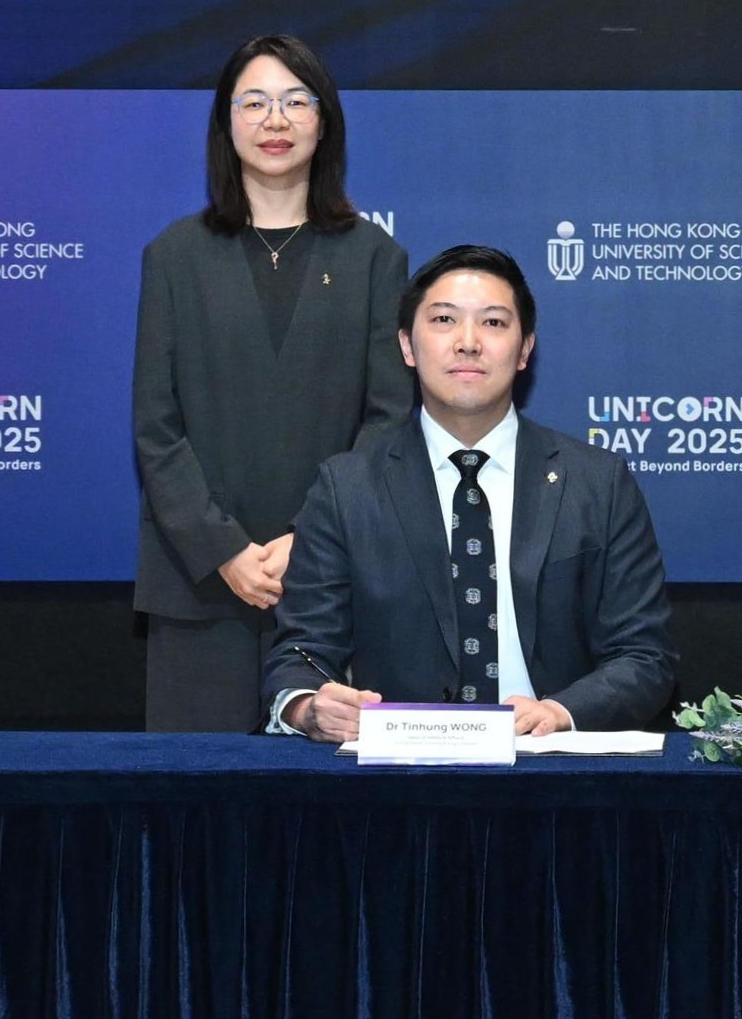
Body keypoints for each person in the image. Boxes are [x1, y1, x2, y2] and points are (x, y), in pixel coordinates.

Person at [266, 245, 676, 738]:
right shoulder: (346, 487)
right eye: (443, 320)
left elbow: (645, 655)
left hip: (554, 774)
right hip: (400, 781)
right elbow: (300, 654)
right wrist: (308, 707)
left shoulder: (597, 482)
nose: (467, 343)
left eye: (494, 323)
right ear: (407, 347)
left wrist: (561, 712)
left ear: (525, 349)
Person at [129, 35, 411, 732]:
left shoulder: (375, 258)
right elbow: (155, 427)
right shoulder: (175, 255)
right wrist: (223, 549)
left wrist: (307, 540)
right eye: (253, 103)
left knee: (325, 827)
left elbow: (387, 419)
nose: (274, 120)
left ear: (325, 120)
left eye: (294, 101)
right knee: (194, 814)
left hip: (331, 583)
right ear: (226, 123)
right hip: (198, 585)